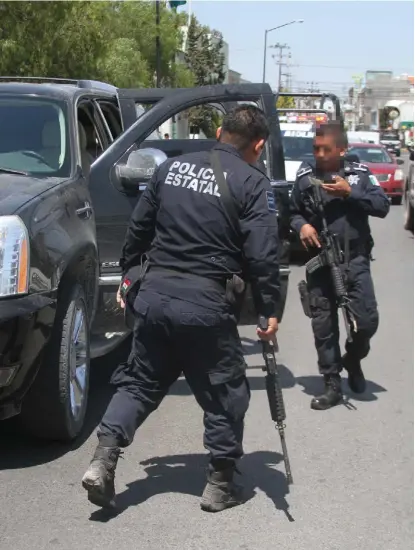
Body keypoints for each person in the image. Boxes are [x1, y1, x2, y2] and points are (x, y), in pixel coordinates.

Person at [82, 105, 281, 513]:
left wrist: (129, 277)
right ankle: (219, 484)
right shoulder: (251, 182)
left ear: (220, 131)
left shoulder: (170, 168)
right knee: (226, 390)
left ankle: (103, 458)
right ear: (258, 145)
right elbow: (263, 256)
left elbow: (139, 229)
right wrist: (269, 311)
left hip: (155, 297)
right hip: (205, 304)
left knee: (139, 382)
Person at [290, 120, 389, 410]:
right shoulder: (306, 176)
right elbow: (292, 211)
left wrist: (349, 193)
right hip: (320, 261)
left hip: (355, 260)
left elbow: (382, 206)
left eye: (326, 149)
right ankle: (332, 384)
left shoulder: (359, 175)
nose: (319, 154)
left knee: (367, 322)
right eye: (315, 148)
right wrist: (302, 226)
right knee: (323, 325)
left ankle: (353, 359)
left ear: (342, 149)